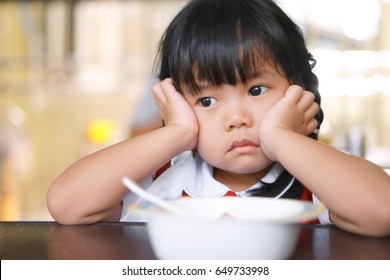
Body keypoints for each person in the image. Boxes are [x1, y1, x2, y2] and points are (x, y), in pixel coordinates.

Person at [47, 0, 390, 237]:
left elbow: (381, 211)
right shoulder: (163, 181)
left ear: (297, 91)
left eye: (257, 91)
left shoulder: (319, 179)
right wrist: (177, 131)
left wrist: (281, 137)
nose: (237, 118)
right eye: (207, 100)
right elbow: (66, 204)